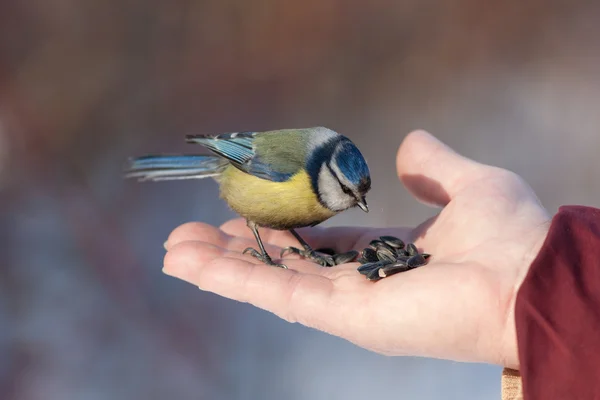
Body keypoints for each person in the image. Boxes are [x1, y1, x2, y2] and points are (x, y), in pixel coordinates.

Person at [162, 130, 600, 399]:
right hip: (242, 178)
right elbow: (242, 151)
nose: (356, 206)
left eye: (359, 195)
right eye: (348, 193)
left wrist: (527, 286)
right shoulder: (292, 165)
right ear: (324, 172)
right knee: (261, 221)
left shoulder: (323, 171)